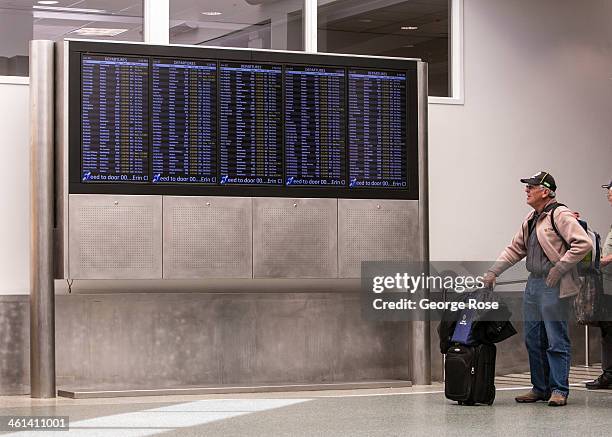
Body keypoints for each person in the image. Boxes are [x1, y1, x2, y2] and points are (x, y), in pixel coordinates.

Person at [483, 171, 592, 406]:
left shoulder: (560, 214)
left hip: (553, 285)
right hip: (534, 284)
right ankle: (540, 388)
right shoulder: (532, 218)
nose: (527, 190)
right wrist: (493, 272)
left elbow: (583, 243)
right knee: (533, 338)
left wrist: (559, 268)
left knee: (556, 339)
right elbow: (514, 249)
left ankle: (559, 390)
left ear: (545, 191)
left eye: (531, 187)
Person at [585, 179, 612, 389]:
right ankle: (608, 374)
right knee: (607, 328)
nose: (608, 193)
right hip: (607, 282)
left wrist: (605, 259)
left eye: (610, 189)